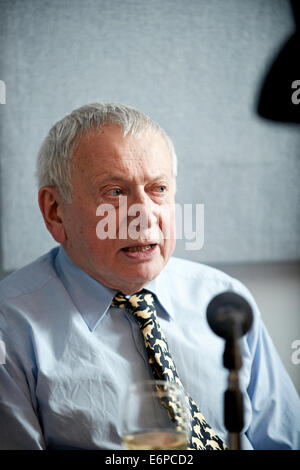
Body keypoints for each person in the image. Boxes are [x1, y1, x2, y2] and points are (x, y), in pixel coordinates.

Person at [0, 103, 299, 450]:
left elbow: (283, 442)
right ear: (55, 211)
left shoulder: (225, 301)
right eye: (114, 192)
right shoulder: (11, 327)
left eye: (158, 189)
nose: (144, 217)